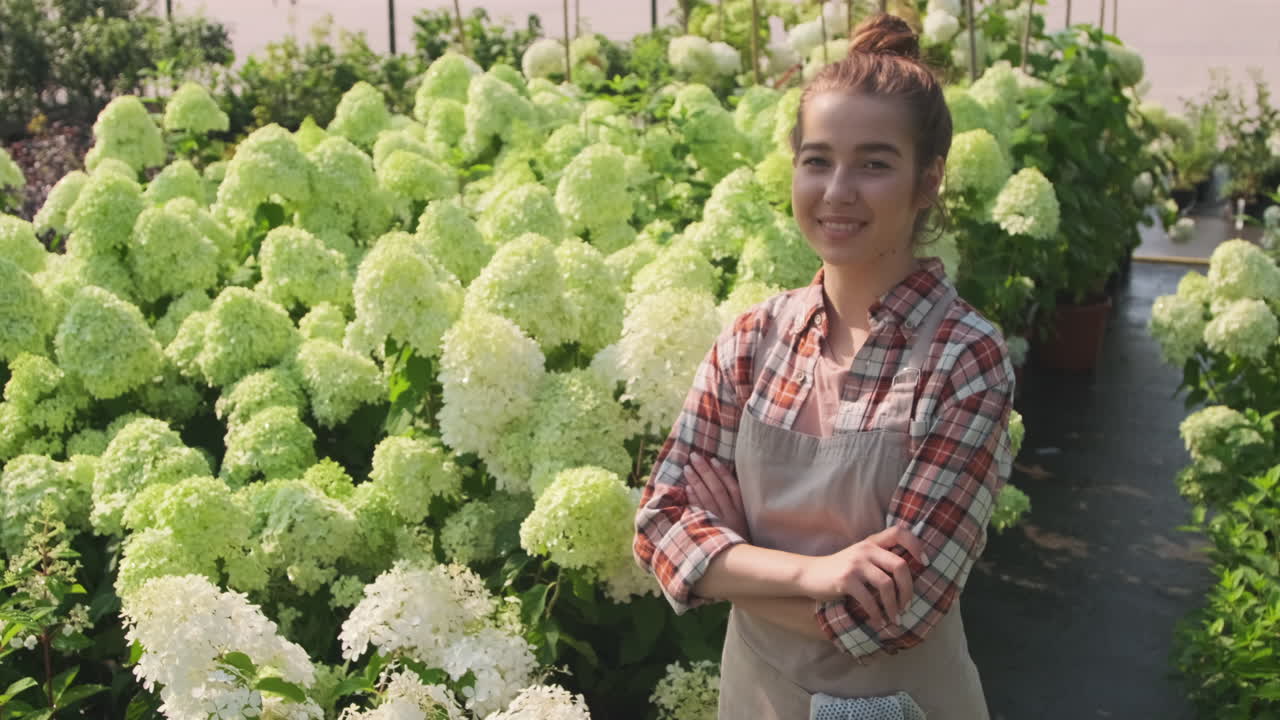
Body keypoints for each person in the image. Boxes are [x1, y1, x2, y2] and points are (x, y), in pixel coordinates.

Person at [633, 12, 1015, 720]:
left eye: (874, 163)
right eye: (817, 159)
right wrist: (817, 573)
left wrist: (719, 567)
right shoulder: (753, 339)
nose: (837, 190)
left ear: (927, 182)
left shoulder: (965, 360)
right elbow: (660, 524)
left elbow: (889, 618)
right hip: (753, 696)